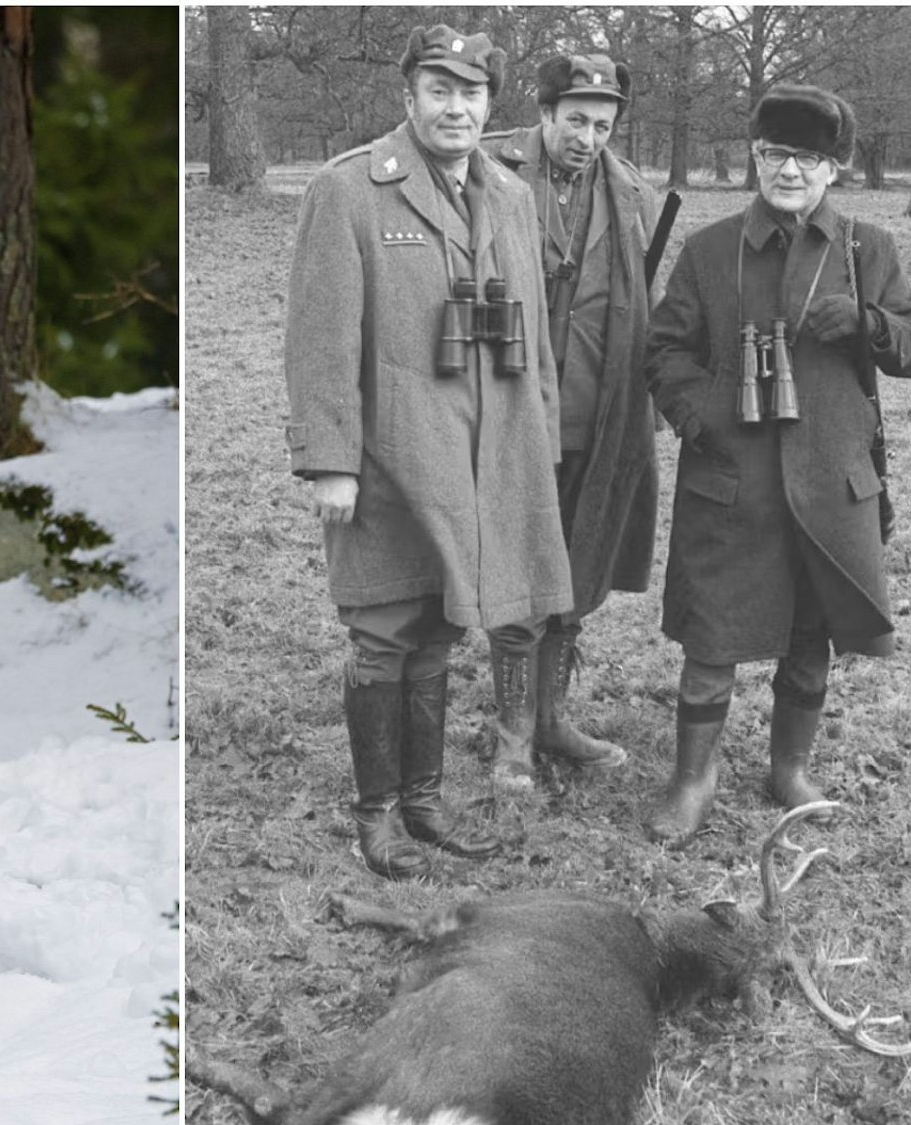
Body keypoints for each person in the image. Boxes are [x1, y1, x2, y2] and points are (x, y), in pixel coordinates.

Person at [285, 25, 572, 879]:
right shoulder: (351, 190)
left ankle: (425, 801)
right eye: (440, 91)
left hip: (485, 459)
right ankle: (375, 816)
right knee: (383, 632)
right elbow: (319, 339)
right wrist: (329, 457)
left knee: (443, 629)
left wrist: (538, 439)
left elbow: (535, 338)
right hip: (389, 454)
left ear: (492, 104)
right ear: (408, 97)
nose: (457, 108)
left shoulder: (511, 195)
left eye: (473, 93)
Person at [644, 84, 911, 842]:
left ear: (834, 167)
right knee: (712, 638)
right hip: (732, 483)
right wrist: (704, 419)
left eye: (806, 157)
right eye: (773, 154)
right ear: (754, 157)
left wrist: (869, 324)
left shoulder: (869, 250)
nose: (788, 171)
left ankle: (787, 767)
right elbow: (663, 351)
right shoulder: (710, 249)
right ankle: (694, 777)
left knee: (810, 634)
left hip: (832, 482)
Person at [480, 54, 660, 788]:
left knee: (577, 566)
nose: (588, 137)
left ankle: (553, 717)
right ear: (544, 116)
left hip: (597, 410)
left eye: (603, 124)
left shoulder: (631, 195)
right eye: (576, 121)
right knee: (519, 572)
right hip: (510, 411)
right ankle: (513, 734)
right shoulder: (487, 176)